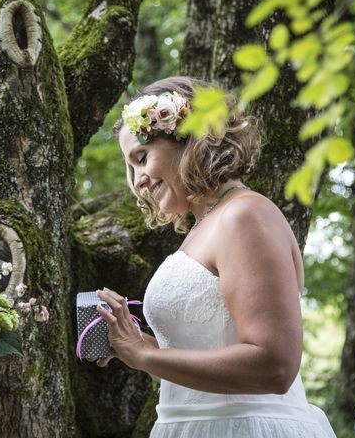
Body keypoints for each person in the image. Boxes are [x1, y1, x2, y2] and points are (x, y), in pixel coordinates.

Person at [95, 76, 336, 437]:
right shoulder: (204, 227)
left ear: (189, 135)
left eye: (142, 158)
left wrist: (147, 357)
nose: (138, 181)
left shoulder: (245, 215)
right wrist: (136, 344)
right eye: (131, 168)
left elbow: (275, 366)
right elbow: (208, 352)